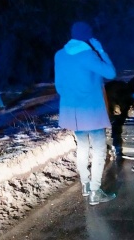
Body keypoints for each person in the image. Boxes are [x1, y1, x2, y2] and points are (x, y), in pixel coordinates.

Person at [54, 21, 117, 205]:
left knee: (82, 147)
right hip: (91, 112)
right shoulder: (89, 54)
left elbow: (59, 86)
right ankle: (95, 192)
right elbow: (111, 73)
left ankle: (85, 185)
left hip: (72, 113)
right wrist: (101, 50)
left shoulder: (59, 55)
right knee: (98, 150)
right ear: (89, 37)